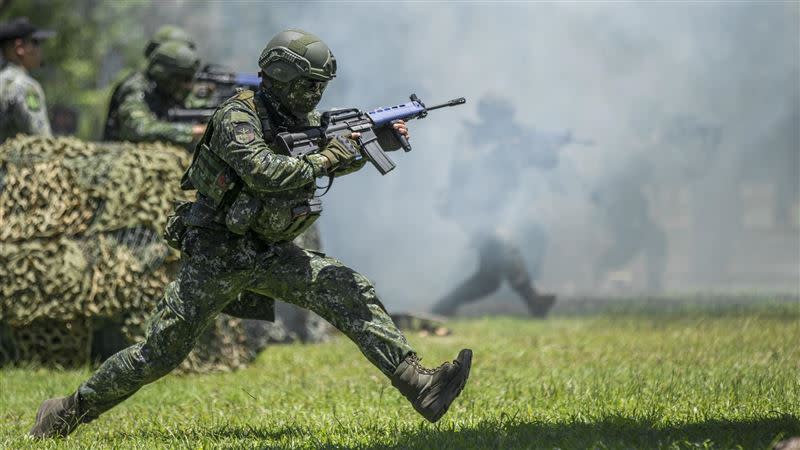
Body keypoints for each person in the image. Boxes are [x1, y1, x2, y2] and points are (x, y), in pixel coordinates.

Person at [29, 29, 472, 439]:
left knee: (348, 288)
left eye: (320, 85)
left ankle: (419, 384)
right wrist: (329, 157)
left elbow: (326, 153)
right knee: (156, 355)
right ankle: (66, 411)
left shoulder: (299, 117)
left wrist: (374, 143)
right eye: (308, 83)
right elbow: (265, 172)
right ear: (281, 77)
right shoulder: (235, 117)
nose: (315, 94)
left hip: (268, 249)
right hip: (217, 254)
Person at [433, 95, 566, 318]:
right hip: (470, 208)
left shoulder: (516, 137)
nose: (507, 122)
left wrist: (544, 149)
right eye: (502, 117)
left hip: (495, 209)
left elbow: (547, 162)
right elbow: (464, 165)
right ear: (488, 117)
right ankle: (533, 298)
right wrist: (499, 147)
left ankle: (444, 307)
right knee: (501, 242)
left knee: (489, 280)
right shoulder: (471, 137)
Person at [102, 40, 204, 149]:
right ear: (164, 75)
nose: (189, 86)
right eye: (184, 79)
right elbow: (140, 129)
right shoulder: (136, 88)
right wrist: (192, 131)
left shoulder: (165, 92)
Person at [0, 17, 55, 144]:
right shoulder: (26, 86)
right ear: (19, 47)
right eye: (35, 42)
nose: (39, 49)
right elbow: (41, 141)